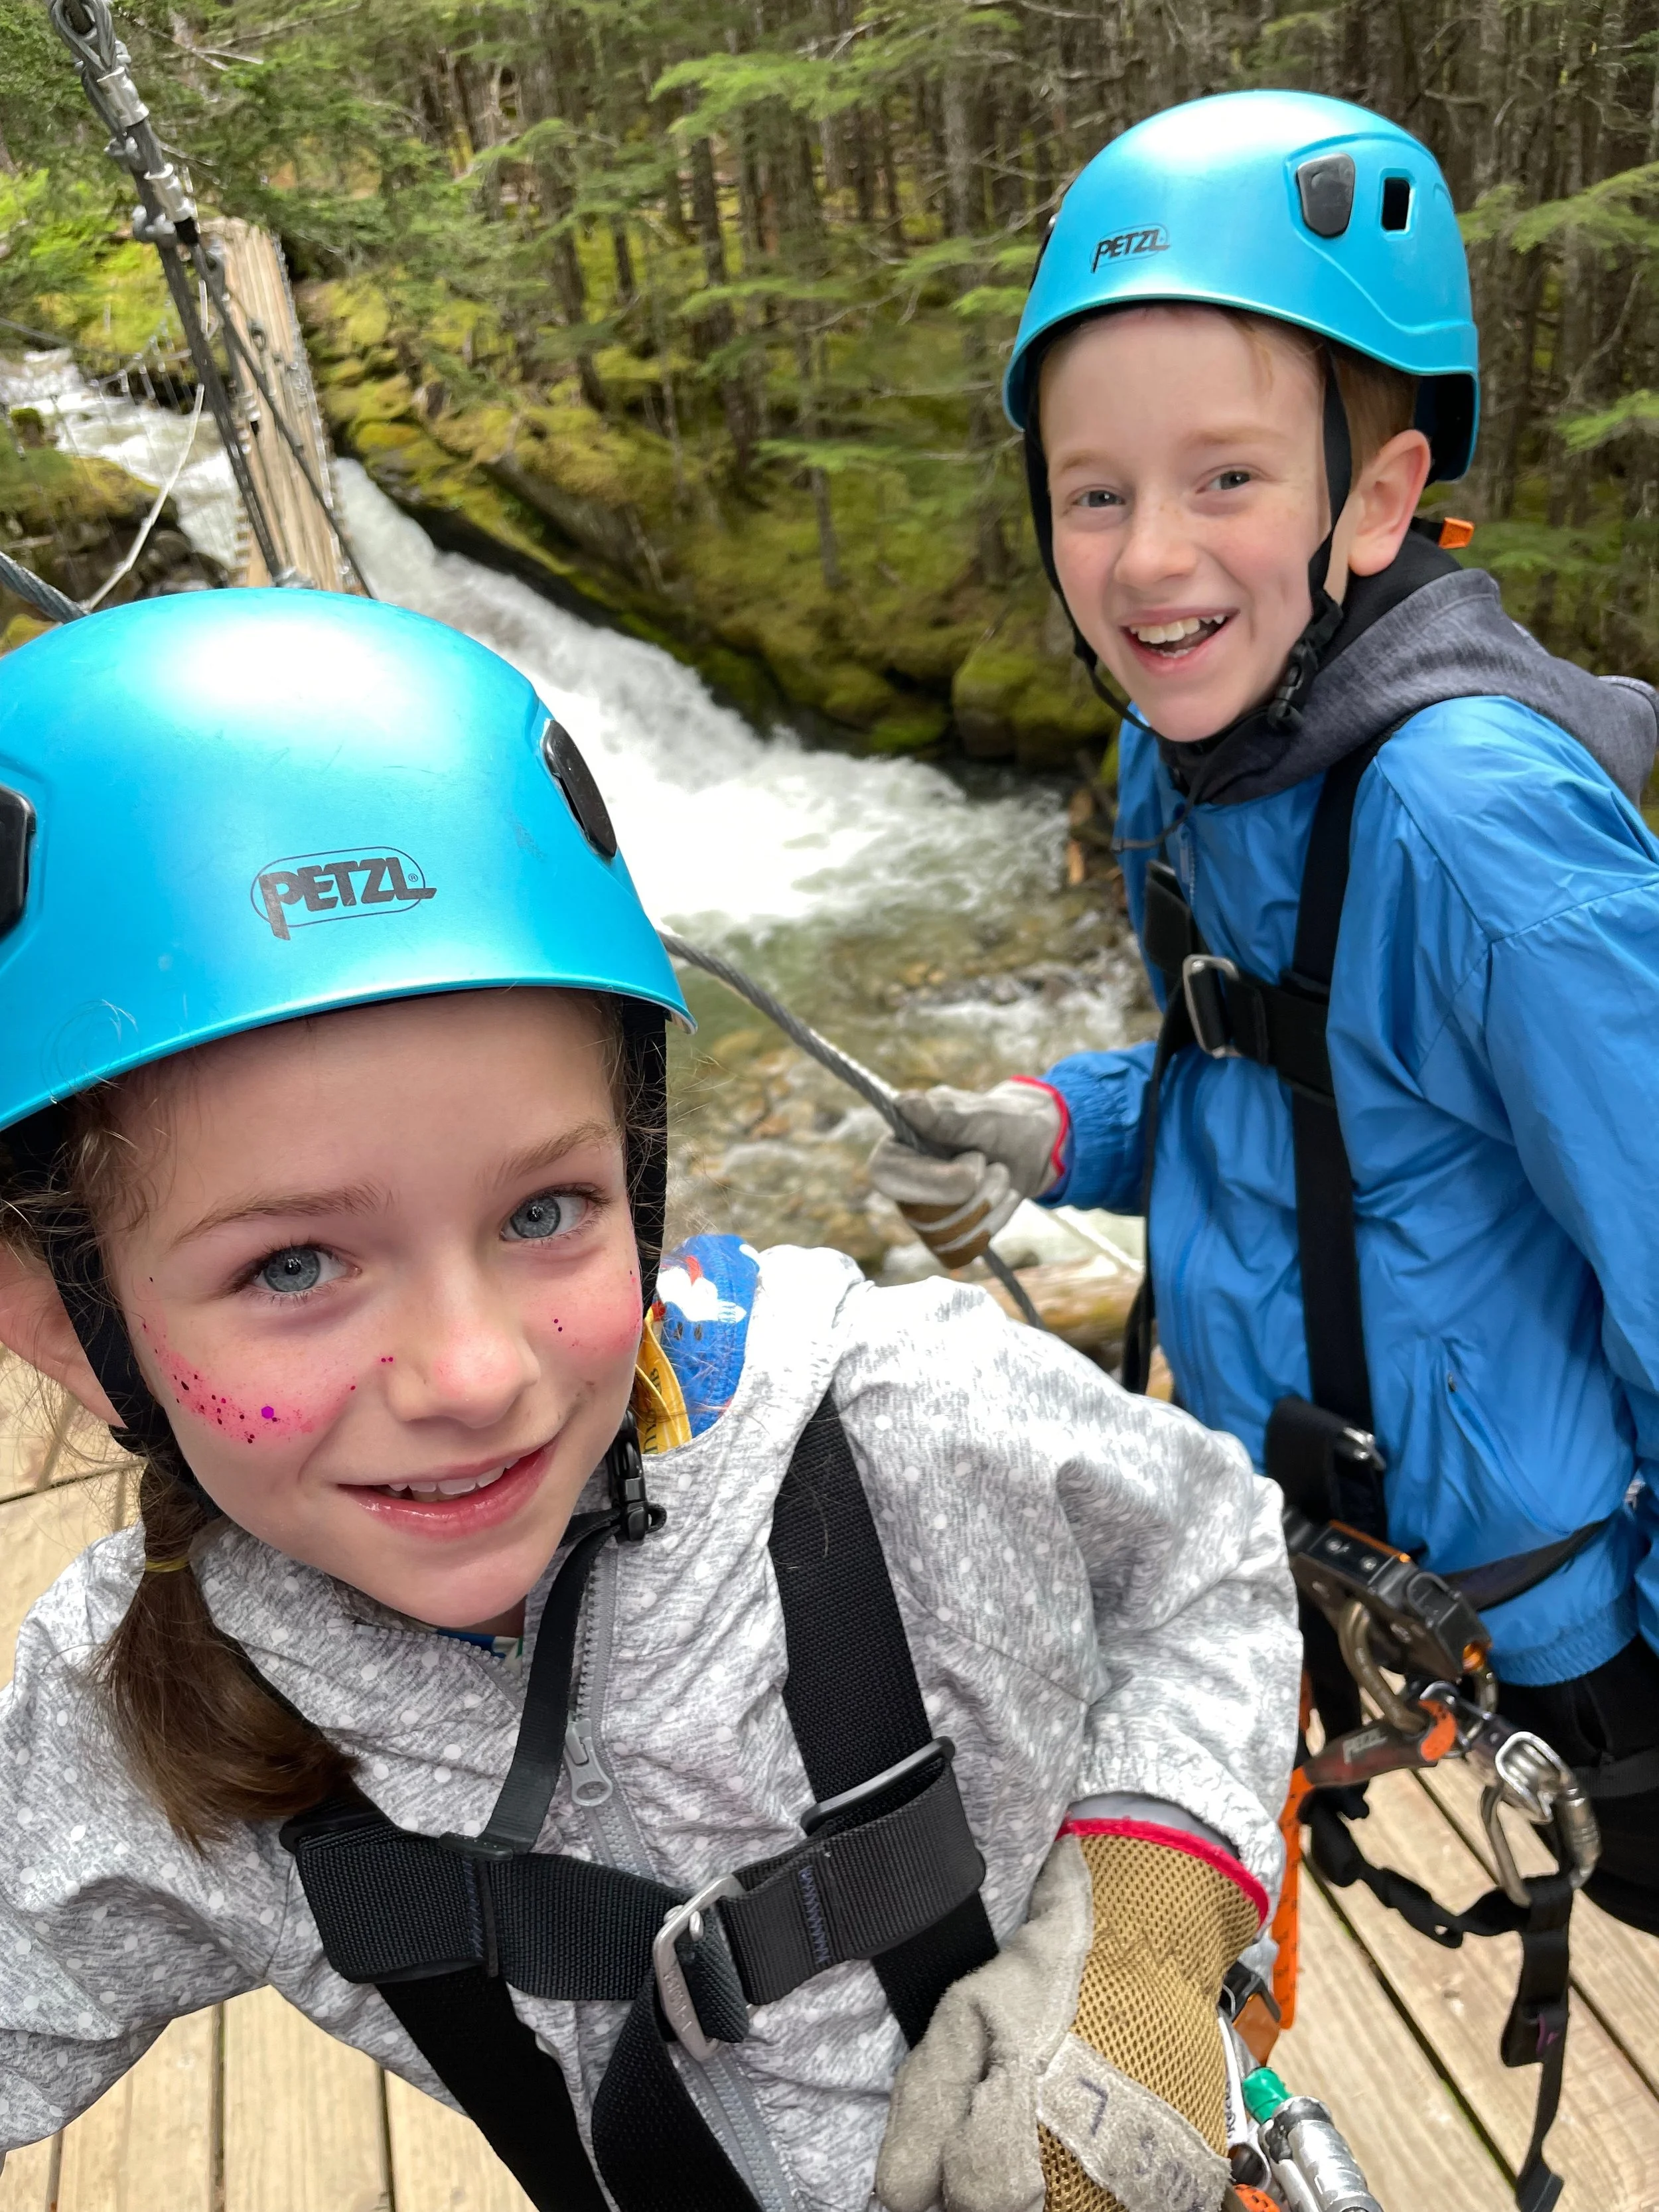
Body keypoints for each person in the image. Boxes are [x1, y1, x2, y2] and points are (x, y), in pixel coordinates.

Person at [0, 589, 1299, 2212]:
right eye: (294, 1266)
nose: (476, 1373)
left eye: (544, 1210)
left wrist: (1147, 1925)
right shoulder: (140, 1704)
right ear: (60, 1319)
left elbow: (1207, 1558)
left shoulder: (900, 1421)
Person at [869, 87, 1659, 1941]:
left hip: (1575, 1628)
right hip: (1369, 1575)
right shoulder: (1186, 759)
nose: (1149, 558)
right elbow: (1280, 1086)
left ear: (1373, 498)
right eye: (1095, 492)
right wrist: (1057, 1125)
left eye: (1224, 478)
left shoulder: (1468, 830)